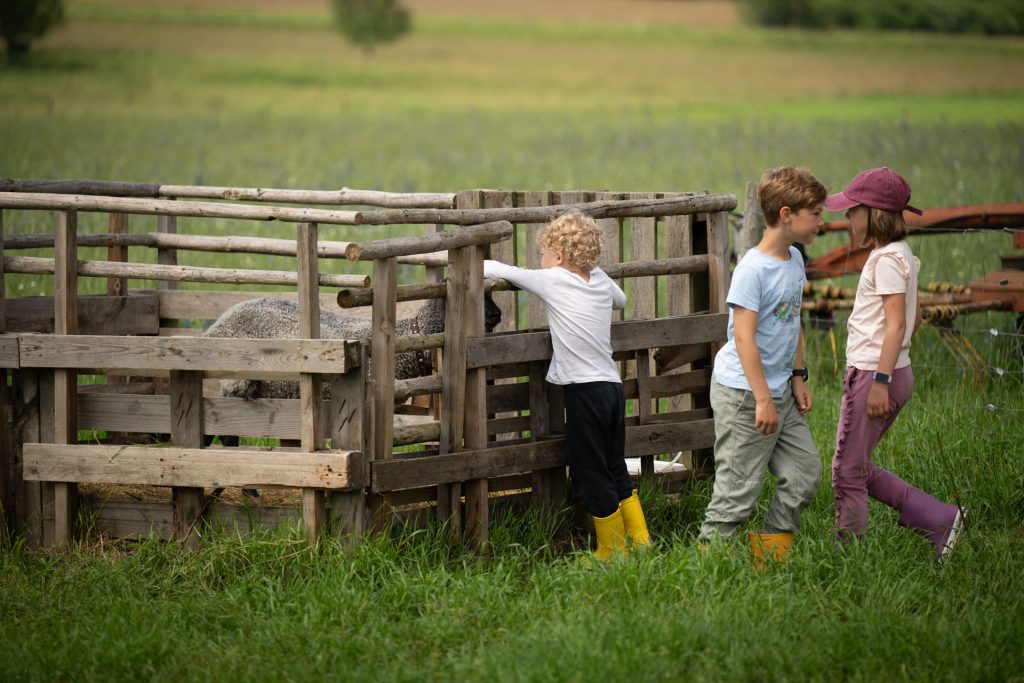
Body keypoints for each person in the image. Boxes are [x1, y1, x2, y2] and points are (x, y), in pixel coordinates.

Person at [483, 209, 650, 561]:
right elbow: (621, 300)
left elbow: (496, 270)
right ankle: (640, 540)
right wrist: (595, 270)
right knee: (614, 463)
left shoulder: (555, 279)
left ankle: (612, 550)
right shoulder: (601, 282)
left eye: (543, 255)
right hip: (611, 388)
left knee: (590, 470)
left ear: (558, 256)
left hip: (584, 392)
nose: (541, 263)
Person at [826, 167, 964, 560]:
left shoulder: (884, 260)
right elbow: (914, 318)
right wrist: (896, 362)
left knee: (847, 472)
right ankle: (938, 517)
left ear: (875, 214)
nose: (846, 218)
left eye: (852, 210)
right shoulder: (902, 254)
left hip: (875, 376)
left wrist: (881, 380)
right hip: (892, 371)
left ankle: (847, 556)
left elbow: (898, 323)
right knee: (855, 465)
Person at [697, 166, 825, 568]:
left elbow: (793, 320)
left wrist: (798, 376)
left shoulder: (794, 260)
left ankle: (766, 563)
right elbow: (744, 339)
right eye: (815, 214)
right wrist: (762, 398)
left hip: (780, 391)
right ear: (786, 214)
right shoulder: (752, 269)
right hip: (744, 395)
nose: (822, 222)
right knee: (737, 493)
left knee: (804, 474)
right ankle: (708, 574)